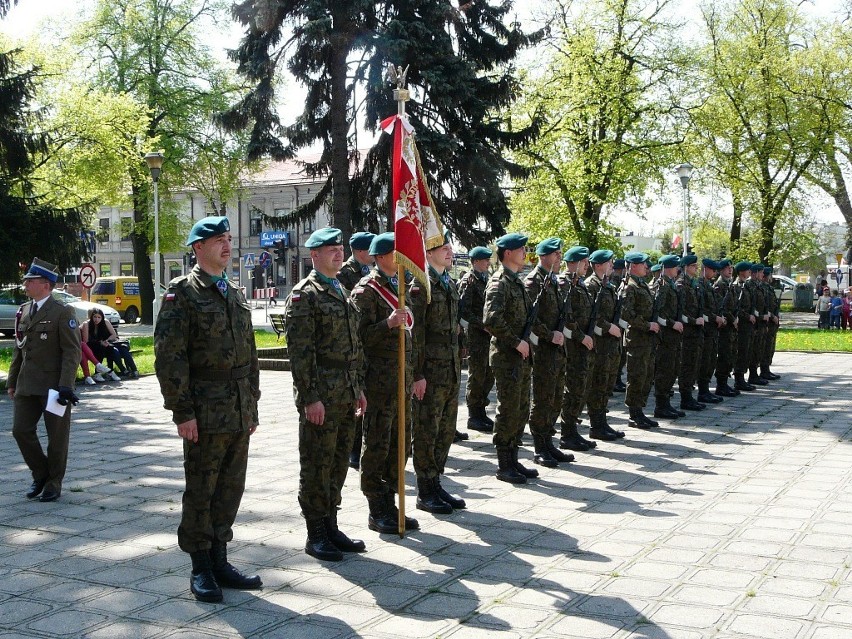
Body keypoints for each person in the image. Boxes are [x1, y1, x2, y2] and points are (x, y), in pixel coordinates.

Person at [155, 215, 262, 603]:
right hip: (204, 410)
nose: (227, 245)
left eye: (229, 238)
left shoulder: (234, 292)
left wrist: (252, 403)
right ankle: (200, 566)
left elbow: (250, 355)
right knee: (201, 489)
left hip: (236, 409)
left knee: (230, 489)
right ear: (197, 248)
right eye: (218, 239)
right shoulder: (182, 293)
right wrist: (182, 412)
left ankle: (221, 559)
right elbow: (170, 358)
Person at [283, 227, 368, 559]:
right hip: (322, 394)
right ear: (314, 255)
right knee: (317, 464)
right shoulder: (306, 295)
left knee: (338, 463)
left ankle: (331, 524)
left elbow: (353, 347)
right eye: (329, 249)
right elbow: (301, 353)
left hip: (345, 392)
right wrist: (310, 397)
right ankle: (315, 532)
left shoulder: (341, 290)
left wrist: (357, 389)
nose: (337, 253)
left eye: (339, 248)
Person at [350, 232, 419, 534]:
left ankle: (392, 503)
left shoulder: (401, 286)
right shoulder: (366, 290)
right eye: (395, 253)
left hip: (401, 380)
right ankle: (376, 507)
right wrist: (387, 323)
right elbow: (357, 338)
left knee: (400, 446)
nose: (400, 258)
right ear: (379, 257)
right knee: (377, 445)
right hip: (379, 382)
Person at [7, 258, 82, 503]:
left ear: (45, 285)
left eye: (30, 281)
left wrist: (66, 385)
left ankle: (53, 483)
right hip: (26, 385)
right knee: (20, 431)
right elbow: (20, 348)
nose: (26, 285)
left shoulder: (62, 312)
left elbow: (72, 351)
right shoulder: (25, 310)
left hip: (54, 388)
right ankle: (40, 474)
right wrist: (12, 380)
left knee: (57, 437)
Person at [483, 232, 547, 484]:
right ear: (507, 253)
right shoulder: (499, 282)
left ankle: (514, 458)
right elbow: (491, 320)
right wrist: (516, 341)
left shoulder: (516, 281)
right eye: (521, 249)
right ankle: (504, 463)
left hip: (520, 354)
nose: (525, 252)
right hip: (507, 355)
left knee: (520, 408)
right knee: (508, 409)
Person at [411, 231, 467, 512]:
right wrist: (417, 374)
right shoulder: (421, 285)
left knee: (445, 430)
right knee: (426, 430)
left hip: (450, 368)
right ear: (428, 253)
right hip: (430, 371)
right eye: (442, 247)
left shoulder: (448, 283)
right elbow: (416, 334)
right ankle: (425, 489)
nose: (448, 250)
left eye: (449, 246)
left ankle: (436, 483)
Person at [524, 238, 574, 464]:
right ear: (544, 256)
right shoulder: (533, 282)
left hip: (557, 349)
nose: (560, 258)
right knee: (543, 399)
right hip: (543, 349)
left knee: (555, 398)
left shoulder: (552, 281)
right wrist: (548, 335)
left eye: (560, 254)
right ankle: (539, 446)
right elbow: (528, 318)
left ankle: (548, 442)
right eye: (556, 254)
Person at [337, 231, 376, 471]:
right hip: (354, 344)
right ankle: (353, 449)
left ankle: (362, 444)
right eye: (369, 249)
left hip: (368, 344)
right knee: (356, 400)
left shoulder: (369, 272)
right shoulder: (345, 274)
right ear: (361, 251)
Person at [583, 249, 627, 441]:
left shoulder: (606, 284)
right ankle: (596, 425)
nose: (612, 265)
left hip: (611, 345)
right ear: (599, 265)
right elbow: (591, 316)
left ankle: (602, 422)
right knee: (598, 384)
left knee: (606, 384)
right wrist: (609, 327)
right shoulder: (591, 286)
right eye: (609, 263)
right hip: (599, 344)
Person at [559, 246, 600, 444]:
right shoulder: (565, 284)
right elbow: (566, 317)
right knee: (573, 387)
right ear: (574, 262)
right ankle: (567, 432)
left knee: (581, 387)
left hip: (583, 344)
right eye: (584, 262)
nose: (587, 266)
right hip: (573, 345)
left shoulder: (579, 283)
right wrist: (580, 336)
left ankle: (572, 428)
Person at [619, 252, 660, 428]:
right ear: (633, 266)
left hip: (647, 339)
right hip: (636, 339)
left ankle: (640, 411)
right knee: (636, 376)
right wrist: (647, 325)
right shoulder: (629, 287)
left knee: (647, 375)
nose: (647, 267)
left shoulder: (642, 285)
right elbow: (626, 314)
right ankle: (634, 414)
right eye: (644, 264)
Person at [458, 246, 496, 433]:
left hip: (487, 336)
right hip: (476, 336)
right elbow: (463, 312)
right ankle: (474, 415)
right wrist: (482, 325)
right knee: (477, 375)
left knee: (488, 375)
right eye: (484, 260)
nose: (488, 263)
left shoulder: (486, 280)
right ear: (475, 262)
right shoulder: (469, 281)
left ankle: (481, 410)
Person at [651, 255, 684, 421]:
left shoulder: (670, 284)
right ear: (668, 268)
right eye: (675, 267)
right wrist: (672, 324)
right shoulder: (662, 286)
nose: (678, 269)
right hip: (665, 336)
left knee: (672, 369)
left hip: (673, 337)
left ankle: (666, 404)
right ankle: (660, 406)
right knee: (664, 370)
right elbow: (659, 314)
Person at [677, 254, 708, 410]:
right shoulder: (682, 285)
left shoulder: (694, 284)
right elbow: (679, 313)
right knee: (687, 365)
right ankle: (685, 398)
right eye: (694, 266)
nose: (696, 268)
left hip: (695, 333)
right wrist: (693, 321)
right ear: (686, 267)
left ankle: (689, 395)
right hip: (687, 333)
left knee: (693, 365)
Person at [696, 259, 725, 404]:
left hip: (712, 330)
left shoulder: (708, 286)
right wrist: (715, 318)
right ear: (705, 269)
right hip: (705, 330)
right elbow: (703, 310)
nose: (715, 274)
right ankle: (702, 391)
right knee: (705, 361)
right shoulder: (700, 286)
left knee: (710, 361)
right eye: (713, 271)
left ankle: (706, 390)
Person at [84, 308, 134, 380]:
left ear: (102, 317)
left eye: (99, 317)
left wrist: (106, 341)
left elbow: (113, 335)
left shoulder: (103, 324)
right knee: (101, 348)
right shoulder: (87, 324)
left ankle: (111, 371)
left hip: (101, 344)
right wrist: (100, 342)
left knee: (110, 348)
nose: (96, 319)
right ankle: (100, 372)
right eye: (94, 317)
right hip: (89, 346)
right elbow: (86, 341)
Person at [714, 259, 739, 397]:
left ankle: (725, 383)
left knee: (730, 354)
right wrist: (732, 319)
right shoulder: (720, 285)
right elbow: (721, 307)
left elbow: (734, 305)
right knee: (723, 355)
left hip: (731, 326)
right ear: (721, 270)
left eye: (731, 267)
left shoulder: (729, 284)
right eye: (727, 268)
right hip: (724, 327)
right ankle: (721, 385)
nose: (730, 270)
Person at [731, 261, 757, 392]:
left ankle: (742, 378)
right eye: (748, 271)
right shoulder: (737, 287)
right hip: (741, 325)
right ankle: (738, 379)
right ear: (742, 272)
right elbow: (736, 308)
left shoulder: (744, 285)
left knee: (746, 351)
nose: (749, 273)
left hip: (747, 325)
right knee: (741, 351)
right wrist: (748, 316)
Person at [760, 267, 781, 380]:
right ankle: (764, 370)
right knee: (766, 347)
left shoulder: (769, 288)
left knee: (770, 347)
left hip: (773, 322)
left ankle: (766, 368)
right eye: (769, 275)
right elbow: (765, 306)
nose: (771, 278)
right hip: (768, 322)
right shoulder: (763, 288)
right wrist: (772, 316)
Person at [611, 257, 628, 393]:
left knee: (620, 355)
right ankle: (615, 380)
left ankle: (616, 379)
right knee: (617, 355)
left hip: (620, 323)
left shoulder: (619, 281)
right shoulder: (615, 281)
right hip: (615, 324)